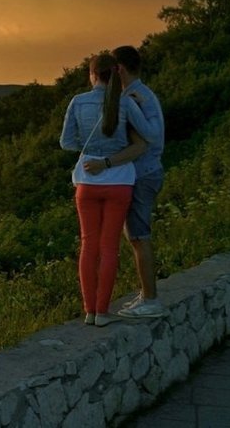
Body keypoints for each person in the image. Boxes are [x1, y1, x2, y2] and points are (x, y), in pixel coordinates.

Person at [60, 53, 156, 327]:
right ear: (114, 74)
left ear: (92, 75)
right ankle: (103, 312)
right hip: (119, 182)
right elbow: (147, 135)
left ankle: (90, 311)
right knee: (110, 247)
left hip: (88, 182)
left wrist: (92, 149)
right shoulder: (125, 102)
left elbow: (66, 143)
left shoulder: (78, 102)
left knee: (88, 245)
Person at [85, 45, 166, 318]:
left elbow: (151, 136)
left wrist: (106, 162)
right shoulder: (140, 95)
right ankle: (145, 295)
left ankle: (151, 300)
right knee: (134, 236)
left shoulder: (134, 97)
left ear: (118, 69)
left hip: (143, 173)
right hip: (145, 172)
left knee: (138, 236)